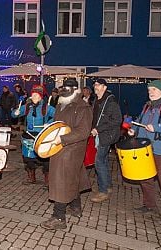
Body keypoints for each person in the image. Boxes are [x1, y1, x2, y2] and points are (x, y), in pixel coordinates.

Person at [40, 78, 93, 230]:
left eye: (68, 88)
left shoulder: (83, 107)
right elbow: (59, 124)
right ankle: (76, 208)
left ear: (76, 90)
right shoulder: (61, 104)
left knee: (60, 181)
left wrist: (60, 139)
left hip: (71, 149)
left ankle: (59, 217)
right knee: (72, 177)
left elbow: (83, 132)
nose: (64, 90)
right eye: (63, 87)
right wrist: (49, 127)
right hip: (60, 147)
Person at [128, 80, 161, 225]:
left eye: (154, 89)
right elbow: (140, 121)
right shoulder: (147, 106)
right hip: (146, 150)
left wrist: (158, 127)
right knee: (145, 179)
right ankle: (149, 205)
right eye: (149, 89)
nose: (151, 92)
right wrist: (134, 130)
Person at [12, 85, 55, 187]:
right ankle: (32, 177)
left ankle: (47, 180)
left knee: (45, 159)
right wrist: (15, 112)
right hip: (28, 136)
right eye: (33, 95)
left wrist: (49, 123)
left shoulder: (46, 107)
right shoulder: (27, 106)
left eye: (36, 95)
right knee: (28, 159)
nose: (34, 97)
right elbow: (13, 115)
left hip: (42, 136)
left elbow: (58, 115)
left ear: (40, 96)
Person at [90, 78, 122, 203]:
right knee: (103, 161)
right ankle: (108, 186)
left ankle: (103, 191)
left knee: (99, 162)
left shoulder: (111, 101)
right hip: (100, 134)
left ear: (104, 87)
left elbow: (117, 120)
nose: (95, 87)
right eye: (94, 85)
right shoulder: (97, 100)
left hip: (106, 135)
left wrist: (98, 129)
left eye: (98, 85)